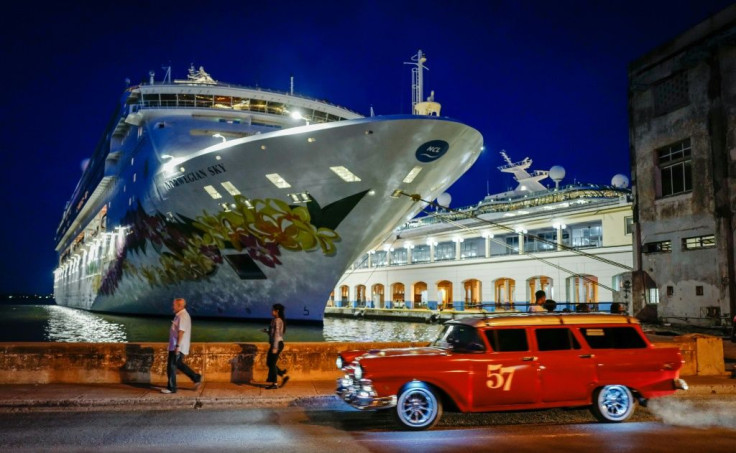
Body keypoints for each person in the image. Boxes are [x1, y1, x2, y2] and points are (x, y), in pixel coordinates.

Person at [162, 298, 202, 394]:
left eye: (174, 305)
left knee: (171, 366)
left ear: (179, 305)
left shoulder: (182, 316)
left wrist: (177, 346)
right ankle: (196, 377)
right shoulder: (180, 315)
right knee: (178, 364)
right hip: (176, 345)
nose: (172, 306)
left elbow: (181, 332)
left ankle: (172, 388)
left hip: (177, 346)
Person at [263, 303, 289, 389]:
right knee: (270, 363)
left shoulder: (277, 320)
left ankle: (275, 383)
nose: (271, 311)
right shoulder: (278, 320)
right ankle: (283, 375)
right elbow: (275, 332)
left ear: (276, 311)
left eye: (272, 310)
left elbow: (277, 334)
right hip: (277, 343)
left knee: (271, 363)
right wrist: (267, 331)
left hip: (277, 343)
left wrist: (275, 347)